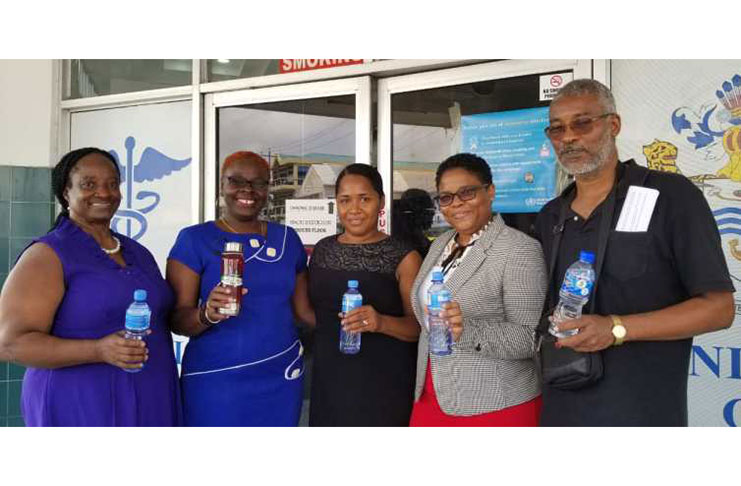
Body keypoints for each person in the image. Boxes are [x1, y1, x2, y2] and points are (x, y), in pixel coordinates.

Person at [534, 79, 735, 426]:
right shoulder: (551, 216)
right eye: (557, 129)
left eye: (582, 123)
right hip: (561, 408)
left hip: (640, 411)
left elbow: (719, 309)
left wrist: (616, 328)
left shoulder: (669, 195)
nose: (568, 137)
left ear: (613, 125)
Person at [0, 148, 181, 426]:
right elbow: (10, 344)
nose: (104, 193)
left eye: (112, 184)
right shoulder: (48, 254)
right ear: (65, 192)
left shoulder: (137, 252)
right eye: (89, 184)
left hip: (150, 395)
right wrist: (98, 350)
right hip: (79, 402)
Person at [167, 151, 314, 426]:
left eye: (258, 183)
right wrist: (206, 314)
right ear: (222, 185)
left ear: (268, 189)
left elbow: (305, 313)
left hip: (281, 373)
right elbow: (176, 319)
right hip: (216, 377)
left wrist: (352, 320)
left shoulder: (287, 239)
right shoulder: (194, 240)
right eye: (236, 181)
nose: (247, 190)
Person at [408, 153, 546, 426]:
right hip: (433, 394)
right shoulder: (442, 243)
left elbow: (530, 339)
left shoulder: (519, 249)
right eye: (446, 197)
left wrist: (466, 330)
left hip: (495, 402)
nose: (456, 203)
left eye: (467, 192)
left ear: (490, 191)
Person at [308, 163, 422, 426]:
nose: (355, 209)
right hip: (329, 377)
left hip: (382, 382)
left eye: (365, 199)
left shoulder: (403, 256)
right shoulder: (324, 249)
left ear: (381, 202)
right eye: (345, 200)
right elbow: (313, 313)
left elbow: (419, 328)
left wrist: (380, 322)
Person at [392, 188, 435, 258]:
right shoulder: (406, 239)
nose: (433, 213)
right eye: (429, 209)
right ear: (418, 211)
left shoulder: (413, 232)